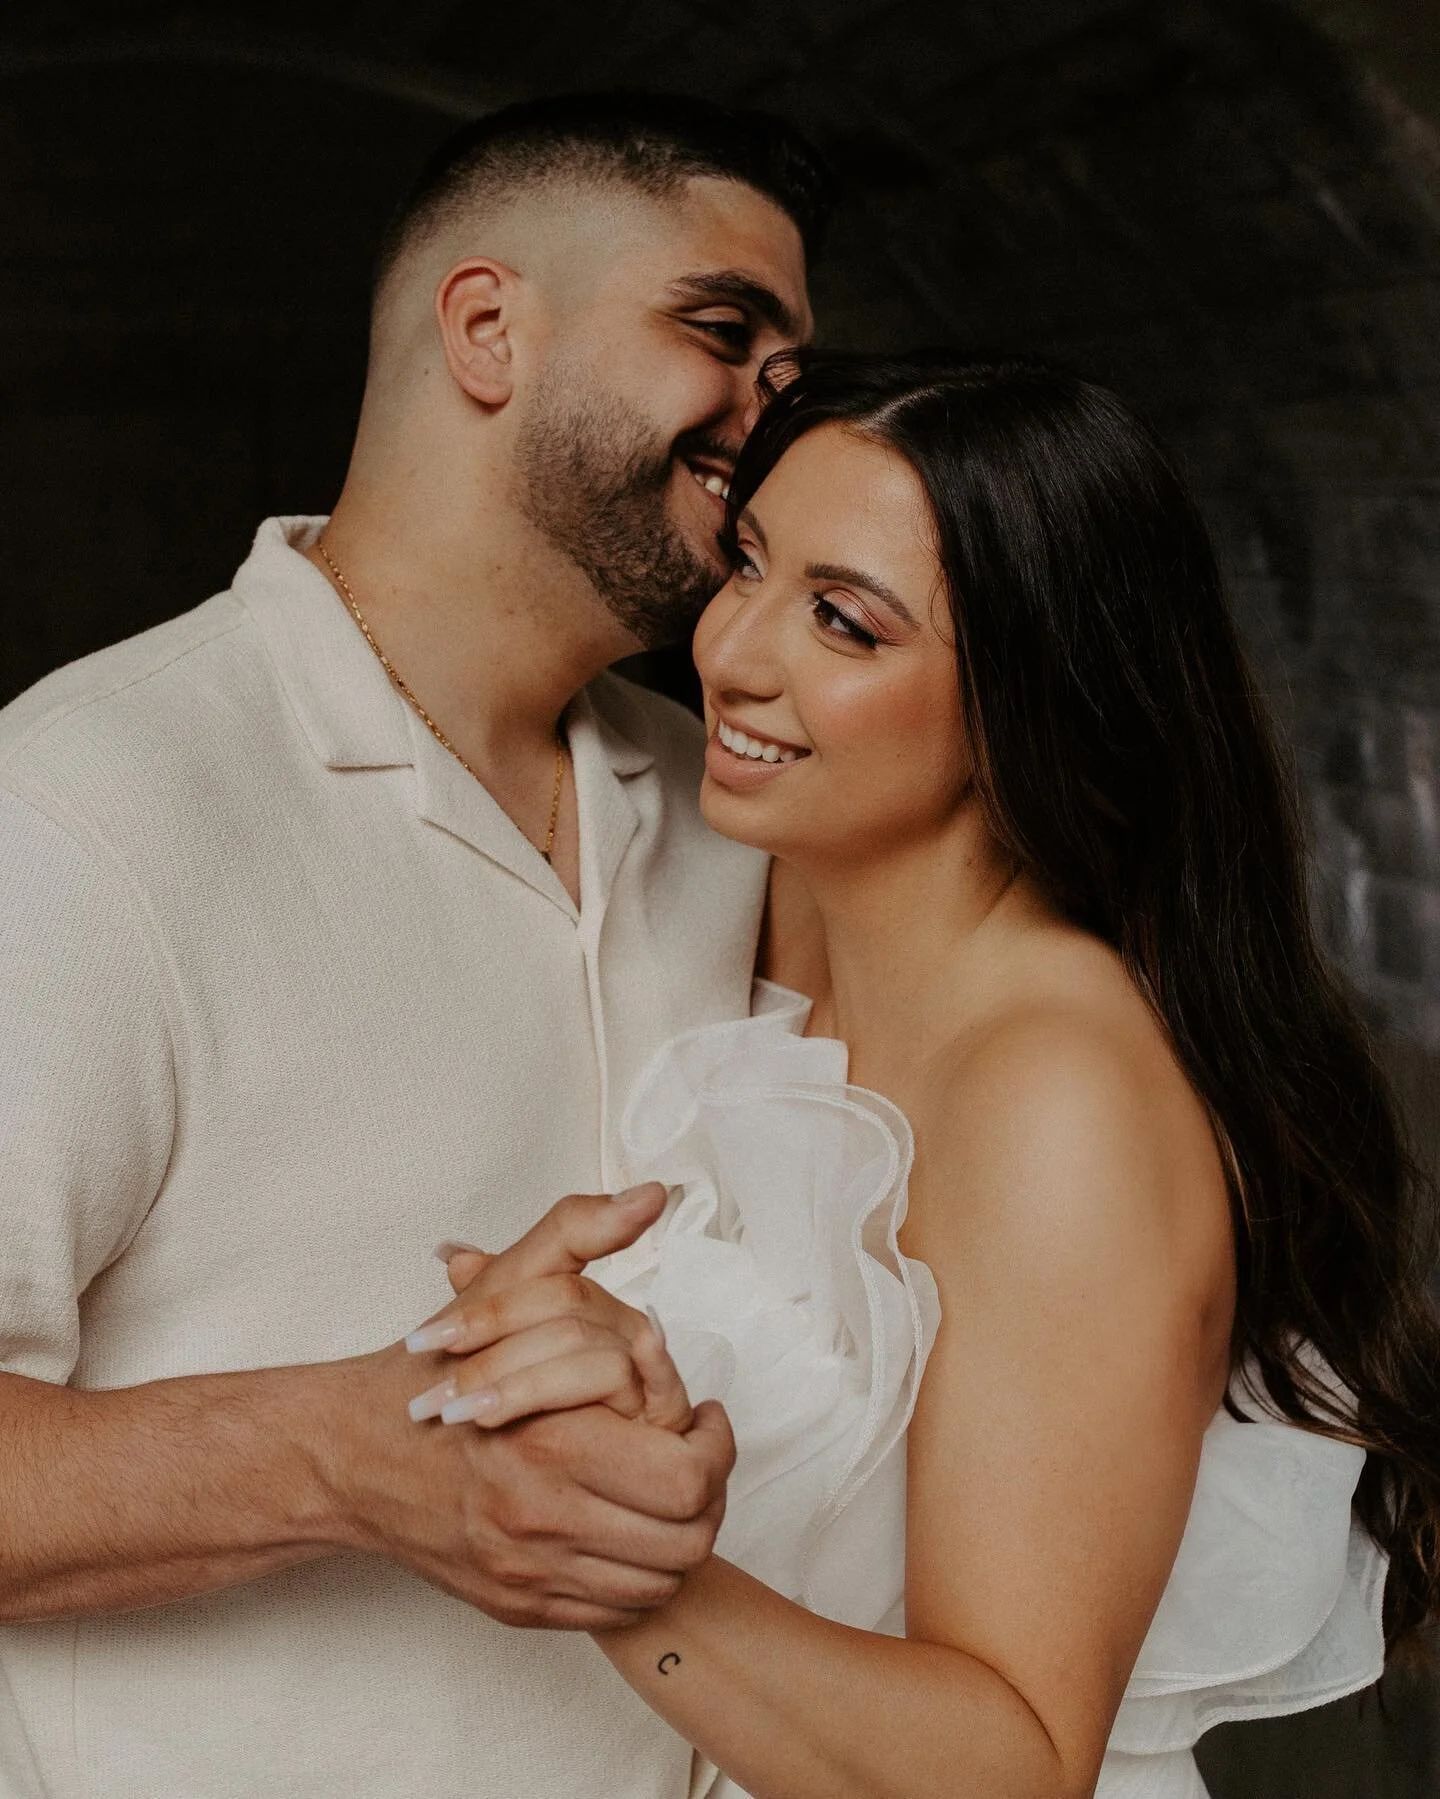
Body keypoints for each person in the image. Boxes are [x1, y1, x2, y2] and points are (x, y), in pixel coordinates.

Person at [412, 352, 1440, 1799]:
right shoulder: (789, 903)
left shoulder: (1057, 1100)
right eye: (750, 563)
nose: (733, 653)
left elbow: (1015, 1761)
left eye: (845, 621)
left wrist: (601, 1550)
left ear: (1034, 690)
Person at [0, 95, 827, 1798]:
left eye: (791, 378)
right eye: (723, 334)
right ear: (487, 329)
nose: (773, 420)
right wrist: (356, 1457)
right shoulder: (81, 805)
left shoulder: (734, 810)